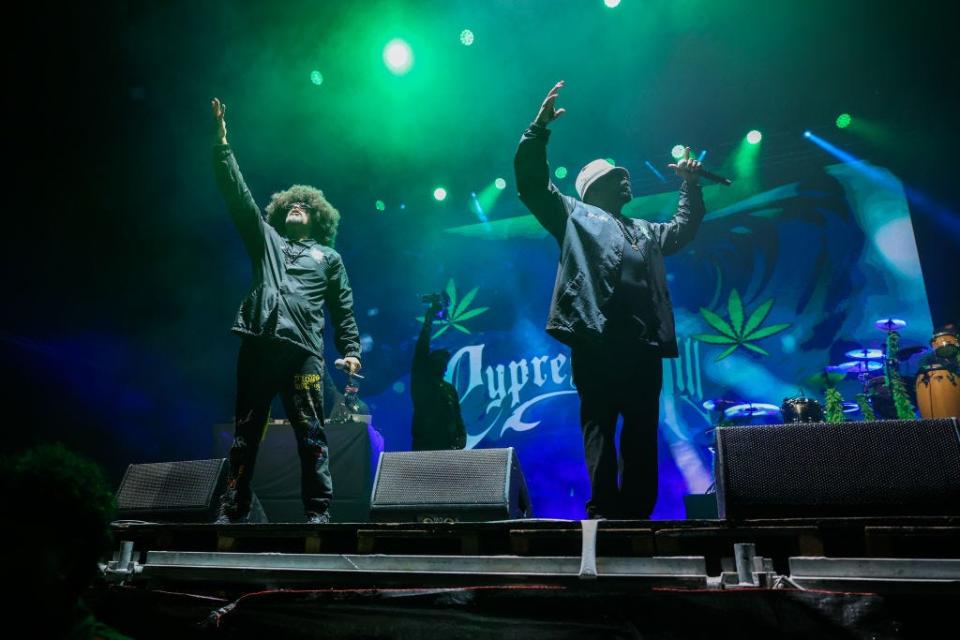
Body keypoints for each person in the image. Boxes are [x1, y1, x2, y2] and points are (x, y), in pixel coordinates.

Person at [514, 81, 706, 519]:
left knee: (640, 430)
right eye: (617, 178)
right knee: (599, 425)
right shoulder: (574, 217)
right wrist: (538, 130)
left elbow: (680, 229)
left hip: (642, 346)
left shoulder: (643, 229)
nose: (626, 180)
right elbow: (531, 184)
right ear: (593, 189)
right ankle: (603, 509)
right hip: (597, 342)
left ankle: (638, 512)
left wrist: (690, 187)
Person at [210, 98, 361, 524]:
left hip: (303, 355)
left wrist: (351, 350)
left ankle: (318, 512)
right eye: (291, 205)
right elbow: (238, 196)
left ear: (317, 218)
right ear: (279, 212)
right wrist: (223, 145)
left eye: (305, 206)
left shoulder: (329, 258)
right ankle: (234, 507)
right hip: (258, 346)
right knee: (245, 436)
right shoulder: (266, 242)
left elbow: (343, 309)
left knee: (310, 433)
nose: (298, 207)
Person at [411, 300, 467, 450]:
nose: (442, 363)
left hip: (449, 447)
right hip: (426, 447)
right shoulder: (421, 382)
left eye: (444, 361)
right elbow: (421, 348)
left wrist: (462, 436)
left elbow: (457, 416)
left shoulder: (449, 389)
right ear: (430, 364)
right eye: (438, 360)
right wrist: (429, 318)